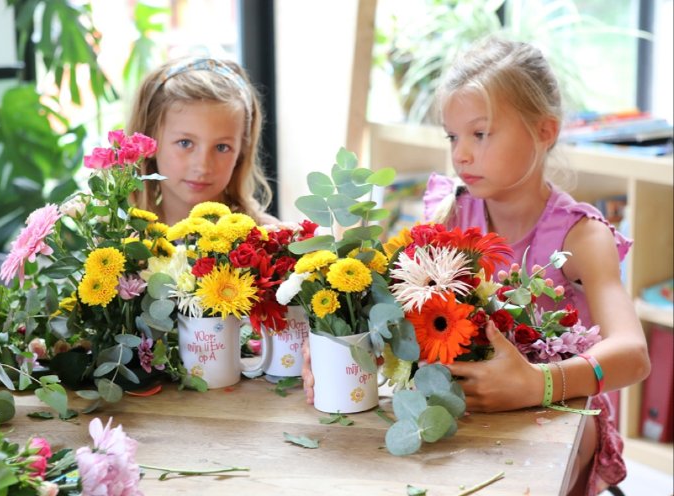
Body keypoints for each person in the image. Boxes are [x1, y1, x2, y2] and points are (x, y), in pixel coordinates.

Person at [302, 36, 650, 496]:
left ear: (545, 131)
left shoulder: (581, 236)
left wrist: (537, 384)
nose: (460, 153)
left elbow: (633, 355)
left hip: (558, 415)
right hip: (459, 409)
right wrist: (340, 344)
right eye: (452, 136)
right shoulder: (446, 213)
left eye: (481, 134)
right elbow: (393, 306)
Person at [127, 56, 278, 225]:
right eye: (185, 143)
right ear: (149, 141)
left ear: (241, 151)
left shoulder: (269, 239)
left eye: (222, 147)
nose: (203, 166)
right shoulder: (116, 239)